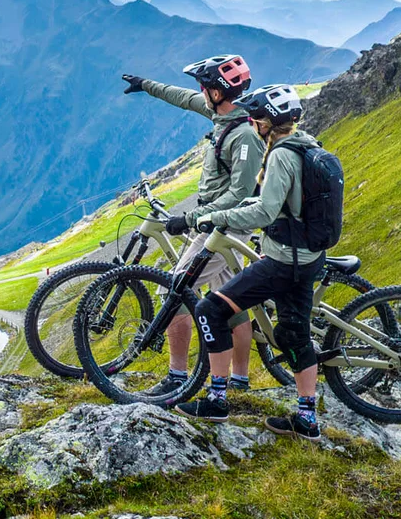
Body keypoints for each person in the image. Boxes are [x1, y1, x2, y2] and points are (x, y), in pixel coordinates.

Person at [176, 83, 334, 441]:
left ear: (267, 120)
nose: (253, 122)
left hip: (282, 262)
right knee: (293, 334)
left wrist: (217, 218)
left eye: (257, 116)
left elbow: (265, 210)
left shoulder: (279, 154)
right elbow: (281, 204)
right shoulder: (307, 144)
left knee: (209, 310)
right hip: (306, 258)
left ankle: (217, 400)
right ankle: (307, 420)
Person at [119, 55, 265, 396]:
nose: (200, 90)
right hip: (214, 225)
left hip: (224, 228)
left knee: (175, 292)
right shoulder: (220, 113)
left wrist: (192, 219)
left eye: (206, 85)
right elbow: (181, 97)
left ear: (220, 90)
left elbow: (241, 195)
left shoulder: (245, 136)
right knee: (230, 300)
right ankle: (239, 381)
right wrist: (145, 85)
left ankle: (177, 376)